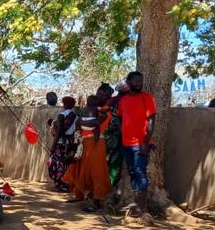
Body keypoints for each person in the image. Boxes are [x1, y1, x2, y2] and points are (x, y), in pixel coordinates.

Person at [64, 96, 113, 212]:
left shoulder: (103, 111)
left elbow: (96, 123)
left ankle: (97, 199)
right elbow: (79, 123)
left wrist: (83, 121)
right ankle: (80, 194)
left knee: (97, 170)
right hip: (84, 142)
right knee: (82, 168)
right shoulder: (88, 110)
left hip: (96, 143)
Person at [118, 71, 157, 216]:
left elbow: (152, 120)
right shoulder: (124, 100)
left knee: (140, 172)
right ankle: (136, 202)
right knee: (133, 172)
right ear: (128, 82)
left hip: (141, 143)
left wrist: (146, 142)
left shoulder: (147, 98)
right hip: (126, 143)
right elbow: (121, 118)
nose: (139, 84)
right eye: (135, 81)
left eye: (140, 81)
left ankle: (142, 205)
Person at [48, 96, 79, 191]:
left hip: (61, 143)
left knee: (55, 164)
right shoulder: (76, 116)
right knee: (65, 163)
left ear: (64, 104)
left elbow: (60, 131)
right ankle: (64, 185)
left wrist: (54, 144)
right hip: (70, 143)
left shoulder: (63, 115)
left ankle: (60, 185)